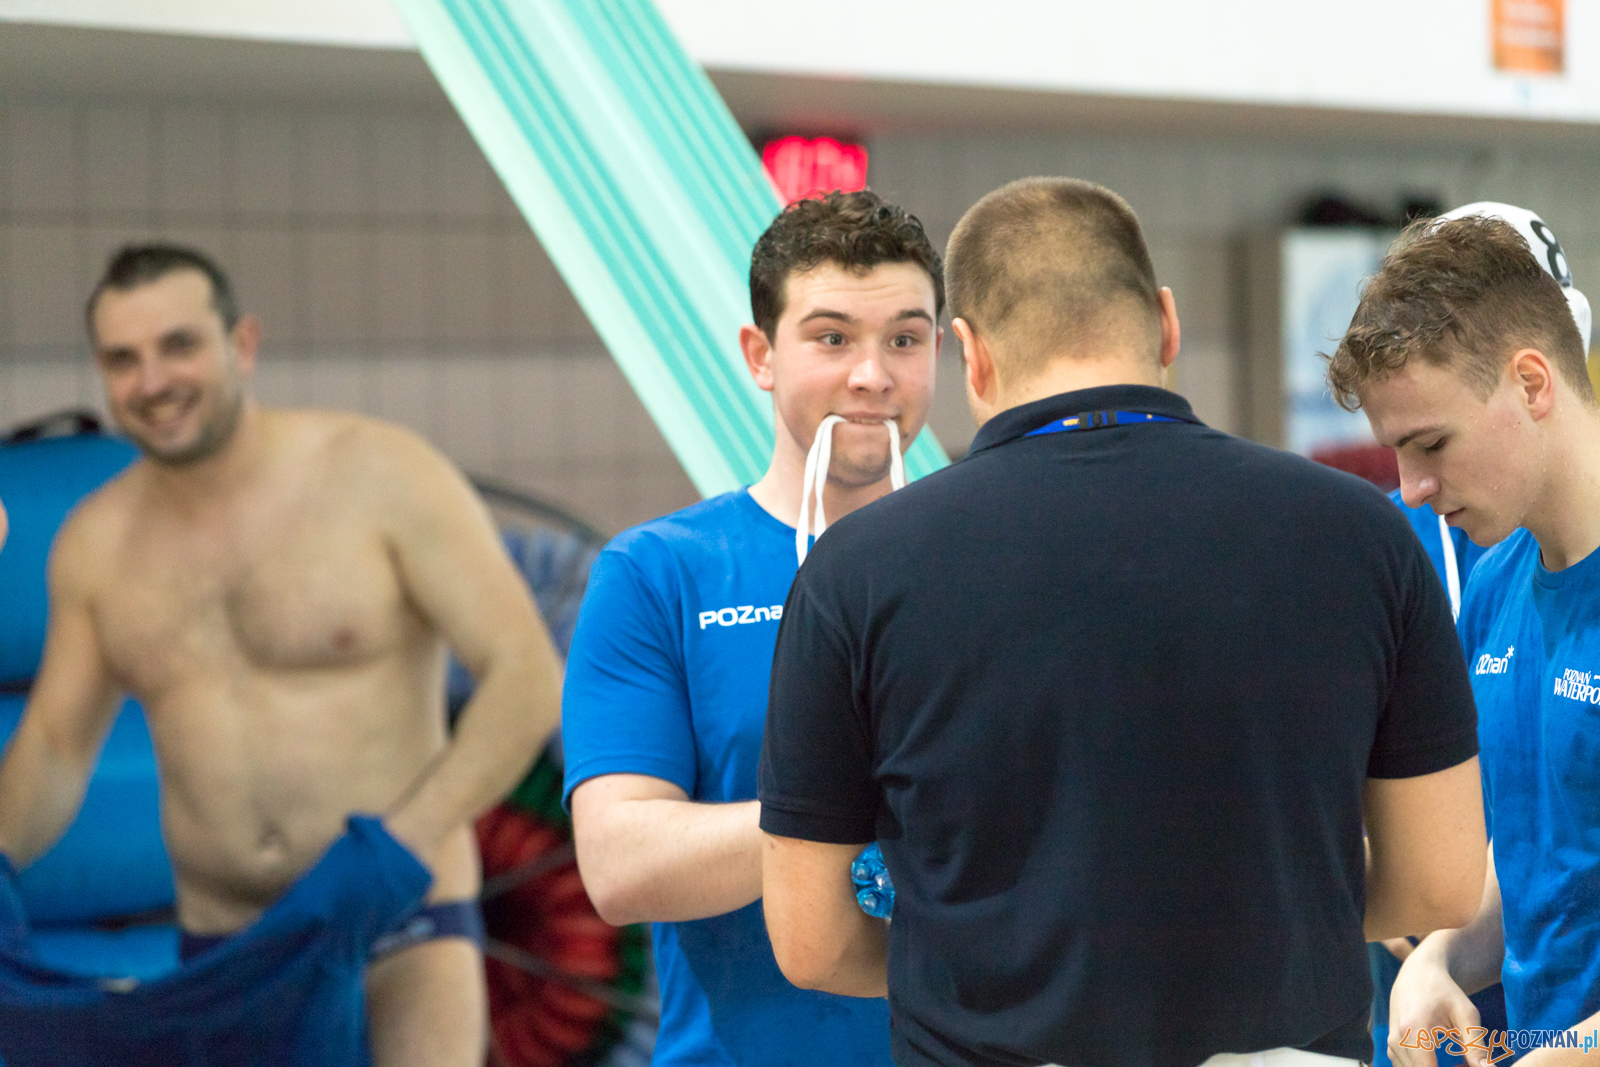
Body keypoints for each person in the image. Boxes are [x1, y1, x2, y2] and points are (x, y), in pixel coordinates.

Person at [757, 177, 1488, 1067]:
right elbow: (1441, 877)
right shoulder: (1365, 533)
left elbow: (811, 938)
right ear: (1167, 324)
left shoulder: (855, 573)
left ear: (971, 356)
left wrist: (980, 960)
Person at [0, 244, 562, 1067]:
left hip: (401, 918)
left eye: (178, 345)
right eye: (124, 359)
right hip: (230, 943)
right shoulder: (97, 544)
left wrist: (399, 846)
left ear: (243, 344)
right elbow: (54, 745)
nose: (153, 380)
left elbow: (527, 677)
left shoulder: (380, 474)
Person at [561, 190, 942, 1066]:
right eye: (833, 337)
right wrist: (858, 812)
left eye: (905, 339)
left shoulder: (999, 561)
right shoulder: (661, 573)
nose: (872, 376)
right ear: (761, 354)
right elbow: (620, 863)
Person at [1328, 207, 1600, 1067]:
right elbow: (1528, 858)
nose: (1409, 489)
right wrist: (1443, 957)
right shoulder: (1497, 580)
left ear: (1531, 381)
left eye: (1430, 443)